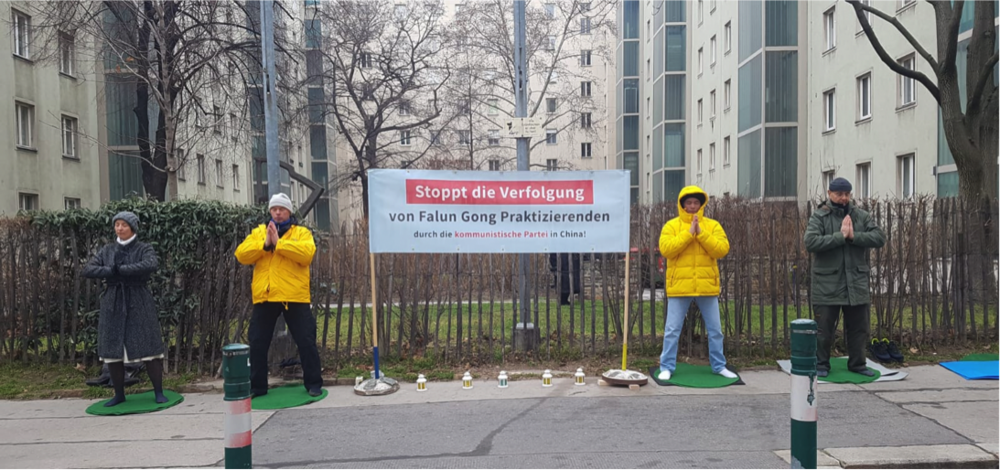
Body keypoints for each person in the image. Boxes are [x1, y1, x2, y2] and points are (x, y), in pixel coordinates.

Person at [235, 193, 323, 397]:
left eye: (282, 209)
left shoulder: (301, 233)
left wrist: (279, 244)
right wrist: (265, 244)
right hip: (266, 295)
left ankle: (314, 384)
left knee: (306, 341)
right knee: (257, 342)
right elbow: (241, 255)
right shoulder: (259, 233)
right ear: (270, 212)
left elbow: (306, 255)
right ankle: (257, 386)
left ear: (289, 212)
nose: (277, 212)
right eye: (274, 209)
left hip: (294, 296)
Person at [82, 211, 168, 406]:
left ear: (132, 228)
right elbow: (88, 269)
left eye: (124, 225)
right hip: (113, 301)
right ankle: (119, 394)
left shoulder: (144, 248)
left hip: (138, 299)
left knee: (148, 348)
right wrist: (111, 271)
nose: (119, 228)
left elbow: (150, 265)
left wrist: (121, 270)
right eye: (117, 225)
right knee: (113, 351)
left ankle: (158, 392)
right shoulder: (107, 250)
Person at [804, 177, 886, 377]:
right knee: (824, 329)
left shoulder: (861, 216)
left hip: (855, 282)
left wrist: (853, 236)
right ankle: (821, 365)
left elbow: (879, 237)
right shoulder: (819, 217)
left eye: (847, 194)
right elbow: (811, 242)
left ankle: (858, 364)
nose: (843, 198)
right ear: (830, 194)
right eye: (839, 194)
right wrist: (839, 237)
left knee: (859, 328)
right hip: (827, 283)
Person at [657, 186, 737, 381]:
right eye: (688, 203)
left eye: (696, 203)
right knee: (672, 330)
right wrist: (688, 233)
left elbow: (722, 249)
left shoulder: (712, 225)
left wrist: (700, 233)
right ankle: (666, 366)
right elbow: (666, 249)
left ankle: (719, 366)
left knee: (715, 330)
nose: (692, 206)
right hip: (680, 287)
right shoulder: (671, 226)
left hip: (706, 286)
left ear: (701, 205)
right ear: (682, 205)